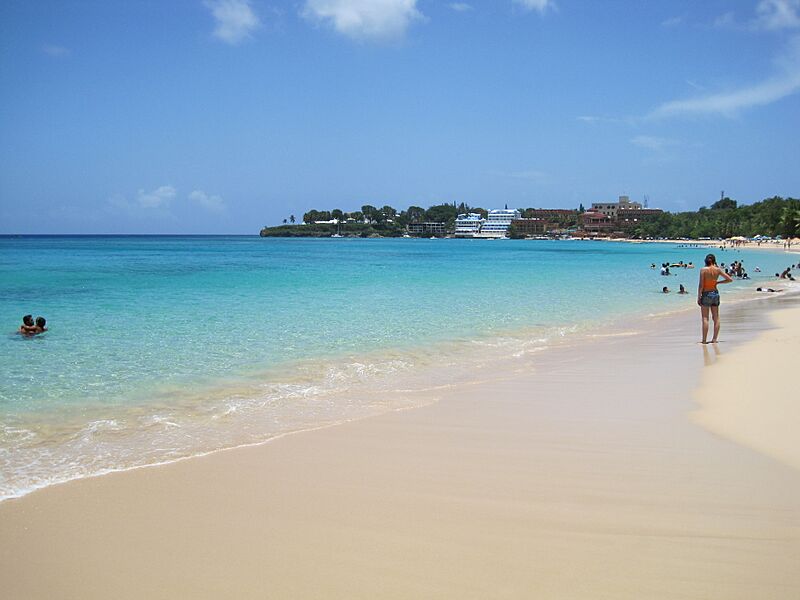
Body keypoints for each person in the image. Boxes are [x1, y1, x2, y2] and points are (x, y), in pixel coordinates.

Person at [698, 253, 733, 344]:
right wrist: (718, 283)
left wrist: (699, 296)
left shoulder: (703, 270)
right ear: (714, 261)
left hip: (706, 294)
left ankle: (704, 340)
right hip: (715, 293)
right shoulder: (718, 270)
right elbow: (729, 279)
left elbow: (701, 285)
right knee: (716, 317)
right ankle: (714, 339)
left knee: (705, 318)